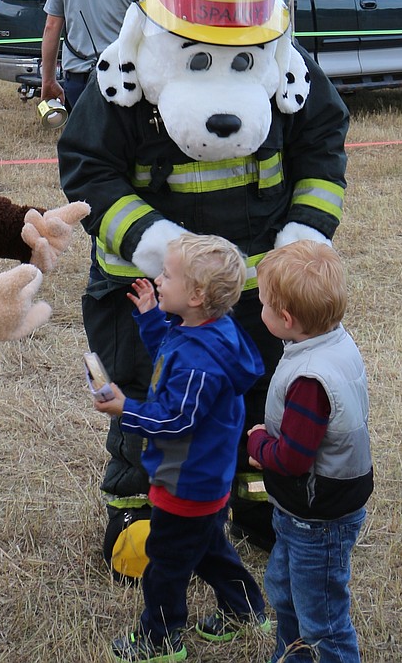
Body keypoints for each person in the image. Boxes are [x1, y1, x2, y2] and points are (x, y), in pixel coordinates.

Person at [58, 0, 350, 563]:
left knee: (257, 394)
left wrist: (304, 235)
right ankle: (137, 518)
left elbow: (323, 150)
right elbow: (89, 173)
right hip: (145, 295)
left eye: (241, 53)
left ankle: (253, 501)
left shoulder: (289, 73)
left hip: (255, 297)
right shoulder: (126, 84)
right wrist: (161, 249)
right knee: (151, 400)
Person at [93, 234, 271, 662]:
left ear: (196, 295)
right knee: (209, 547)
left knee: (165, 565)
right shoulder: (206, 331)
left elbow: (175, 419)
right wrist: (152, 317)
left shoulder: (199, 361)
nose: (158, 279)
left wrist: (124, 408)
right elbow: (168, 360)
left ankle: (159, 640)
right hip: (204, 478)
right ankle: (246, 610)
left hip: (186, 480)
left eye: (167, 275)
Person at [246, 241, 372, 663]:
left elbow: (294, 458)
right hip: (304, 510)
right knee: (285, 590)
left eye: (263, 304)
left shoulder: (310, 380)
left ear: (286, 319)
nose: (258, 310)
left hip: (317, 516)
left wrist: (259, 445)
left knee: (323, 623)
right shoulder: (330, 342)